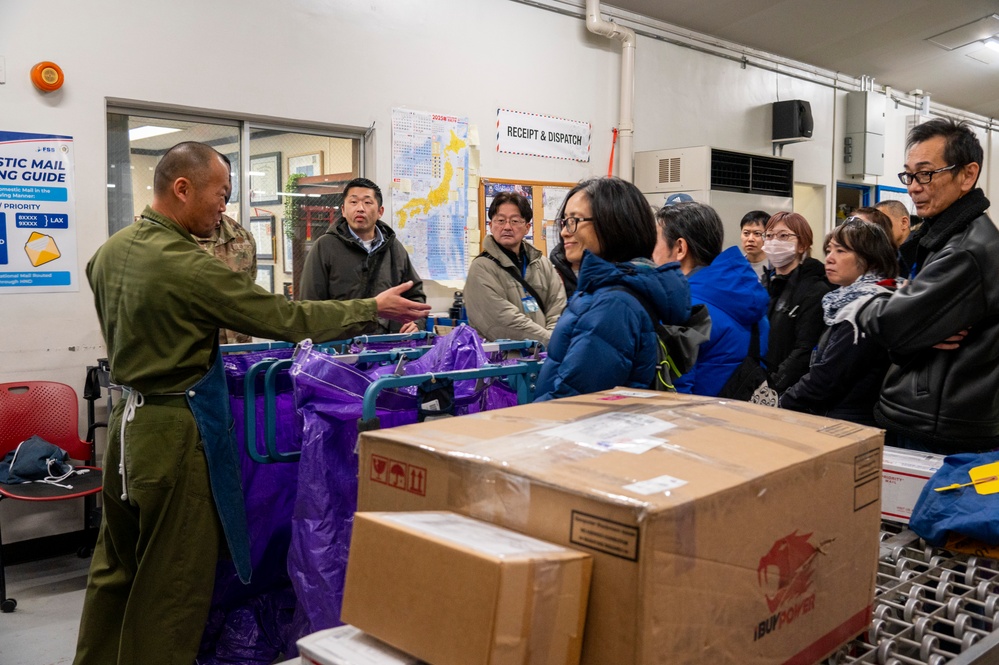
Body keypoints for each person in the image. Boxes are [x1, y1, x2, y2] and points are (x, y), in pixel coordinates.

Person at [75, 142, 430, 665]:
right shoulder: (187, 266)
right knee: (172, 583)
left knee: (114, 571)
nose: (225, 208)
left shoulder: (108, 253)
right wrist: (370, 308)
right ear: (182, 188)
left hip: (128, 431)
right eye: (220, 195)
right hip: (174, 434)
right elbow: (285, 320)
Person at [857, 118, 999, 453]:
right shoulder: (940, 238)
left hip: (937, 426)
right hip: (933, 414)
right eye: (909, 175)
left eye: (926, 174)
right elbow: (901, 325)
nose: (913, 187)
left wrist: (874, 302)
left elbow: (886, 325)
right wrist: (916, 332)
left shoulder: (965, 250)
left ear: (967, 175)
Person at [533, 177, 690, 401]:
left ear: (613, 224)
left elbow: (576, 400)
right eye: (564, 221)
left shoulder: (614, 304)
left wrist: (532, 424)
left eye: (574, 221)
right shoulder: (606, 290)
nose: (565, 232)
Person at [780, 219, 899, 426]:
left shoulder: (867, 308)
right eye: (828, 250)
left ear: (871, 258)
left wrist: (781, 402)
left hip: (851, 421)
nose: (829, 259)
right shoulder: (846, 300)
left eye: (841, 251)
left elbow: (827, 377)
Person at [654, 202, 769, 396]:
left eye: (655, 242)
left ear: (680, 248)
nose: (651, 252)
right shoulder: (749, 296)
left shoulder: (685, 308)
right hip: (742, 419)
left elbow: (675, 393)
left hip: (700, 421)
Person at [299, 177, 426, 334]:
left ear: (380, 211)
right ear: (343, 210)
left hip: (387, 347)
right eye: (353, 202)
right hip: (340, 348)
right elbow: (310, 306)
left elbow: (415, 296)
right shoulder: (324, 247)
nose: (360, 208)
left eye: (367, 202)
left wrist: (415, 323)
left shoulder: (394, 248)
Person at [464, 192, 566, 346]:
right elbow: (502, 322)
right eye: (500, 220)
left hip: (546, 359)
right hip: (504, 364)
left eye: (515, 220)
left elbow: (558, 308)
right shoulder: (481, 268)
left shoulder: (543, 264)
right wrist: (552, 342)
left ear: (527, 227)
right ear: (491, 226)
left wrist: (551, 344)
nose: (507, 227)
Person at [761, 211, 834, 395]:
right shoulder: (765, 284)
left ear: (802, 245)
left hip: (787, 391)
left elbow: (804, 349)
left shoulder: (815, 290)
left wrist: (772, 386)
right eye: (769, 236)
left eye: (784, 236)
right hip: (760, 381)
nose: (774, 242)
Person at [194, 213, 257, 344]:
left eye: (224, 196)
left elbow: (249, 289)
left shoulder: (242, 236)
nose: (222, 205)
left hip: (239, 346)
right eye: (218, 195)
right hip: (200, 349)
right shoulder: (177, 237)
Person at [740, 210, 770, 280]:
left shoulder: (777, 268)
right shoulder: (735, 268)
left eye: (757, 233)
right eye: (746, 233)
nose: (750, 239)